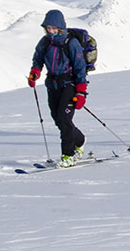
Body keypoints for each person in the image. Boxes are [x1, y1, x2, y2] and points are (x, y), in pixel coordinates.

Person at [28, 10, 88, 166]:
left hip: (69, 84)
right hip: (52, 84)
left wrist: (81, 92)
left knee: (64, 119)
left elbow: (80, 67)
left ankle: (68, 155)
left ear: (60, 27)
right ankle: (80, 140)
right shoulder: (45, 42)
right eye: (48, 28)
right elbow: (38, 59)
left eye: (54, 28)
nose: (51, 31)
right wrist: (35, 72)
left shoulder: (71, 43)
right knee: (58, 119)